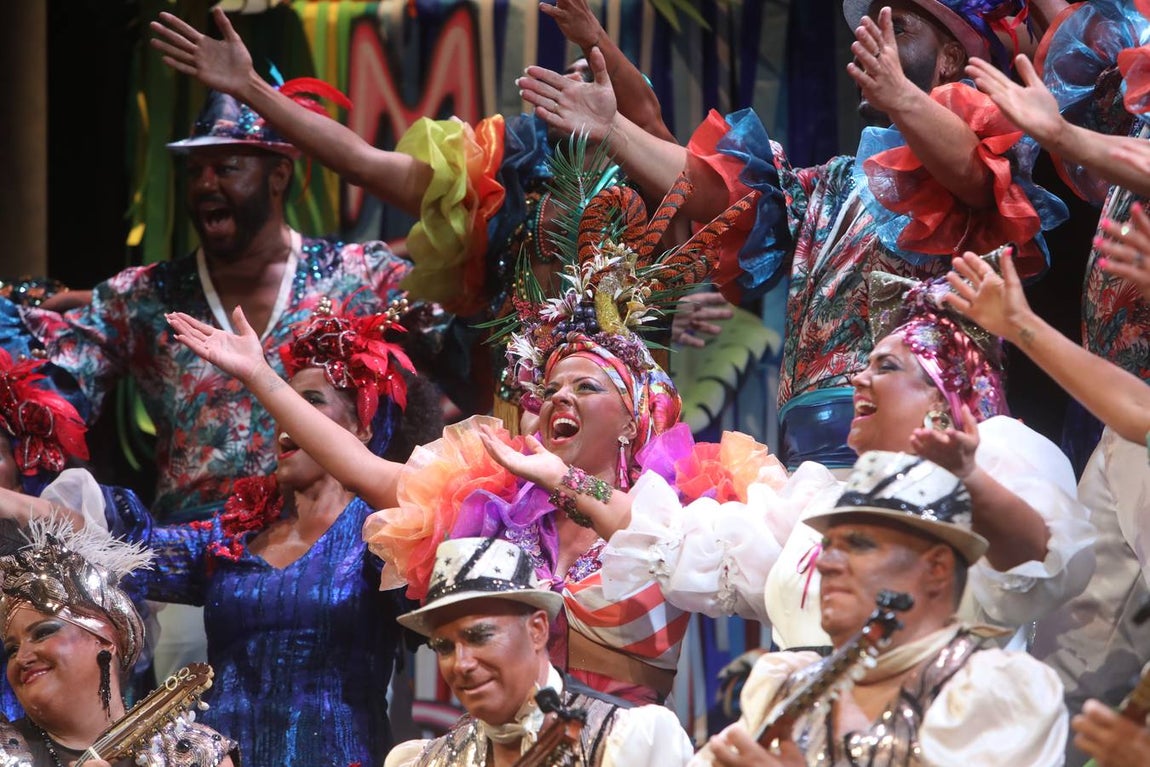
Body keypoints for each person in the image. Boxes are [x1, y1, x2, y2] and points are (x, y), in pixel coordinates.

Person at [168, 173, 757, 705]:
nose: (560, 398)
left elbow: (677, 543)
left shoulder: (675, 509)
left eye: (586, 386)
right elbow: (358, 466)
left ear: (633, 420)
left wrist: (563, 480)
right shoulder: (494, 504)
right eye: (550, 387)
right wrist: (259, 376)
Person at [516, 0, 1068, 471]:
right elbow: (717, 191)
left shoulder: (980, 156)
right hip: (810, 458)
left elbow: (974, 173)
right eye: (870, 30)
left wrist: (901, 95)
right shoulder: (831, 182)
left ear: (950, 57)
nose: (872, 43)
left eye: (897, 28)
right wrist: (613, 129)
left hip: (924, 448)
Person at [484, 252, 1093, 652]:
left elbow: (1039, 562)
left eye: (885, 367)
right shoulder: (816, 506)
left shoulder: (1000, 450)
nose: (857, 380)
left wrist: (966, 477)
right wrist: (564, 478)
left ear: (944, 395)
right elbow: (674, 538)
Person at [2, 298, 427, 767]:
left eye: (311, 403)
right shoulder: (232, 537)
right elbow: (115, 546)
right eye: (285, 403)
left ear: (363, 428)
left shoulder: (382, 533)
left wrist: (257, 374)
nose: (284, 420)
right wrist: (14, 503)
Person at [693, 451, 1068, 766]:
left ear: (936, 569)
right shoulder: (784, 687)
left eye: (858, 544)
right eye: (828, 546)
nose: (826, 563)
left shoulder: (994, 693)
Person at [382, 536, 693, 767]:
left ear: (538, 630)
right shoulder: (422, 761)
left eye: (479, 636)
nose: (461, 664)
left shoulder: (628, 739)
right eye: (444, 647)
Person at [0, 516, 238, 767]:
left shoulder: (196, 753)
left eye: (43, 633)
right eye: (12, 649)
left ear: (105, 639)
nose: (22, 658)